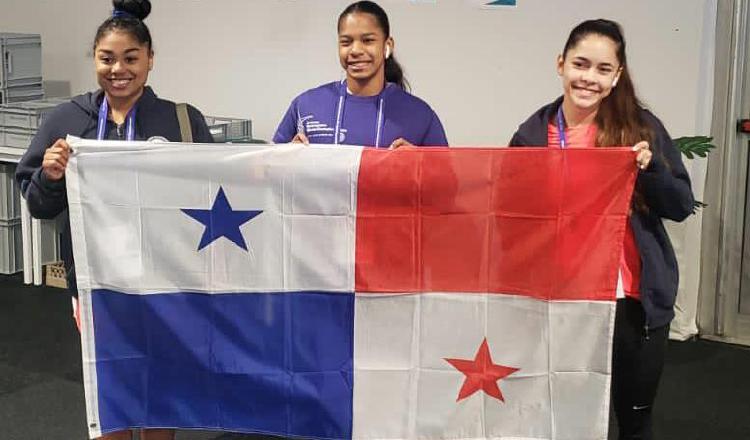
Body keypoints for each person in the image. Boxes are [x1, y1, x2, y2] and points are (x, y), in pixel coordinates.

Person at [15, 0, 212, 438]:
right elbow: (38, 205)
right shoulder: (68, 121)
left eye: (130, 58)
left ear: (150, 60)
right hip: (95, 282)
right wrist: (49, 176)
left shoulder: (180, 121)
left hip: (166, 281)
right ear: (96, 60)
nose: (118, 69)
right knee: (109, 390)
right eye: (107, 59)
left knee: (162, 390)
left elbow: (214, 189)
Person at [508, 19, 694, 440]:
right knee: (561, 417)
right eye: (580, 64)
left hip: (631, 302)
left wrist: (650, 171)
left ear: (617, 76)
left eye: (602, 69)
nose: (589, 78)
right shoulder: (533, 135)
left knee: (633, 420)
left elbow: (681, 205)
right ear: (561, 65)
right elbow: (510, 217)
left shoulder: (641, 129)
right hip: (561, 301)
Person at [273, 0, 448, 148]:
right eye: (346, 42)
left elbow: (449, 182)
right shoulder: (305, 105)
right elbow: (267, 170)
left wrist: (420, 163)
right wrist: (287, 156)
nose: (355, 50)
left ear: (388, 45)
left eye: (368, 40)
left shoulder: (419, 114)